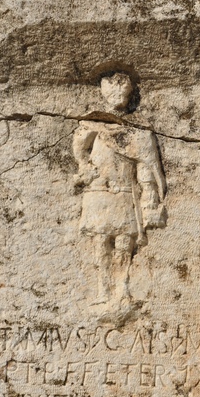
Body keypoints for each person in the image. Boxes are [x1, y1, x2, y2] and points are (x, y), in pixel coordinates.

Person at [73, 73, 166, 307]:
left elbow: (144, 167)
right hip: (99, 191)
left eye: (122, 93)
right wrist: (87, 168)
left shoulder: (137, 132)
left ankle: (122, 288)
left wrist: (149, 197)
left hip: (125, 191)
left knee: (125, 243)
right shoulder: (92, 124)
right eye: (113, 92)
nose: (118, 98)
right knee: (100, 242)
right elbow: (79, 148)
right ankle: (103, 289)